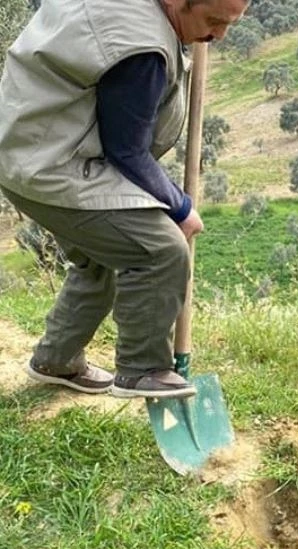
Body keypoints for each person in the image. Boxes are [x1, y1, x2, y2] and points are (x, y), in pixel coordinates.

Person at [0, 0, 248, 398]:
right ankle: (143, 368)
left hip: (25, 150)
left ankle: (56, 359)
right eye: (214, 22)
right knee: (159, 249)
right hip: (52, 166)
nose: (218, 36)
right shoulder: (142, 49)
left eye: (229, 25)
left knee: (101, 256)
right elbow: (126, 150)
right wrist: (180, 208)